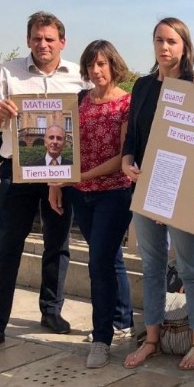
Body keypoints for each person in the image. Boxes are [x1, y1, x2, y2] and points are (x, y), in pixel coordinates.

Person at [0, 11, 87, 357]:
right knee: (7, 247)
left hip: (60, 174)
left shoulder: (79, 77)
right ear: (28, 40)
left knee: (58, 244)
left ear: (62, 42)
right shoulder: (8, 72)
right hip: (16, 171)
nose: (43, 44)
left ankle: (51, 311)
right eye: (37, 38)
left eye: (50, 39)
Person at [121, 17, 194, 371]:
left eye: (172, 41)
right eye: (159, 40)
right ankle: (152, 339)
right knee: (152, 267)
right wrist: (126, 161)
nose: (164, 47)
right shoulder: (142, 86)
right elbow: (132, 137)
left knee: (190, 268)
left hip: (182, 191)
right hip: (146, 188)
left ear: (184, 46)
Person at [48, 40, 134, 368]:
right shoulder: (80, 100)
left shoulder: (126, 103)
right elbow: (64, 146)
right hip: (79, 194)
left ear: (113, 65)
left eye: (101, 64)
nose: (95, 70)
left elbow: (123, 156)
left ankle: (101, 338)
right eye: (90, 65)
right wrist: (56, 184)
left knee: (98, 262)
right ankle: (122, 320)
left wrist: (80, 176)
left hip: (113, 193)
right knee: (109, 257)